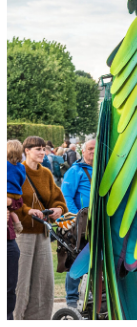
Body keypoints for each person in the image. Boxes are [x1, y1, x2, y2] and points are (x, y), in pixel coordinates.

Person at [12, 136, 68, 320]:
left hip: (43, 233)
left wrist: (58, 209)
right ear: (26, 150)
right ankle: (14, 319)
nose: (43, 152)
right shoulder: (16, 171)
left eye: (44, 149)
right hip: (22, 234)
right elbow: (11, 200)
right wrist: (28, 211)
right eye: (38, 149)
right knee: (21, 281)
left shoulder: (45, 173)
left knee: (43, 282)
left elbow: (57, 198)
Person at [60, 139, 95, 308]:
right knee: (76, 259)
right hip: (81, 224)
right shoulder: (76, 171)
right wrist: (75, 217)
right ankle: (72, 300)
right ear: (82, 151)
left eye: (96, 149)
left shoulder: (103, 170)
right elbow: (66, 195)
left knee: (93, 260)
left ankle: (88, 293)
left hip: (99, 224)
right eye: (90, 148)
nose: (93, 152)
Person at [7, 140, 26, 320]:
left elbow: (18, 203)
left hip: (9, 239)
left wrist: (9, 203)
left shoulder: (15, 168)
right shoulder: (18, 168)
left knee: (10, 285)